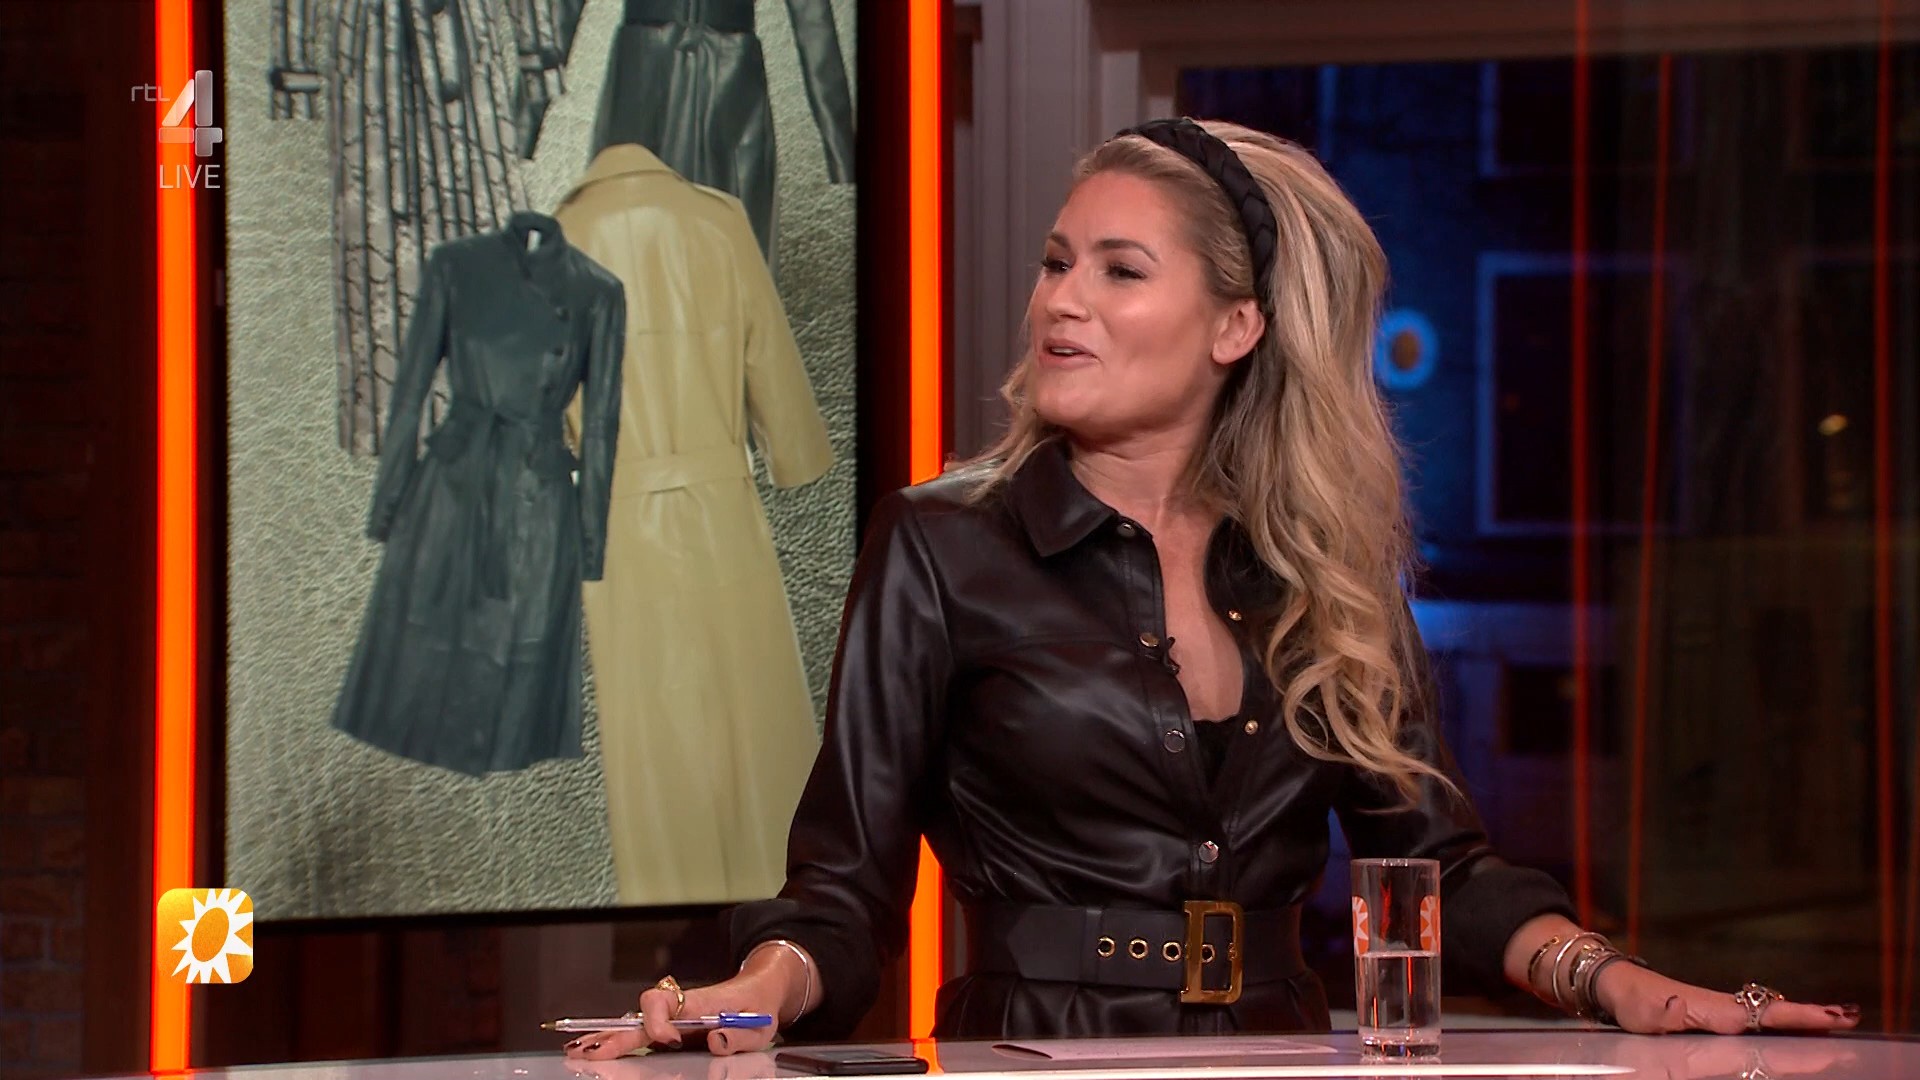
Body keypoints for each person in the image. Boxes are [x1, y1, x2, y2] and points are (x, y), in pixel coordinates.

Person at [565, 118, 1860, 1058]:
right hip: (1033, 1056)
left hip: (1283, 1050)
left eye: (1120, 271)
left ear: (1236, 328)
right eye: (1056, 262)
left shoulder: (1322, 572)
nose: (1061, 302)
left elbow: (1437, 866)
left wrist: (1620, 985)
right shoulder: (938, 544)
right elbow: (843, 887)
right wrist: (761, 987)